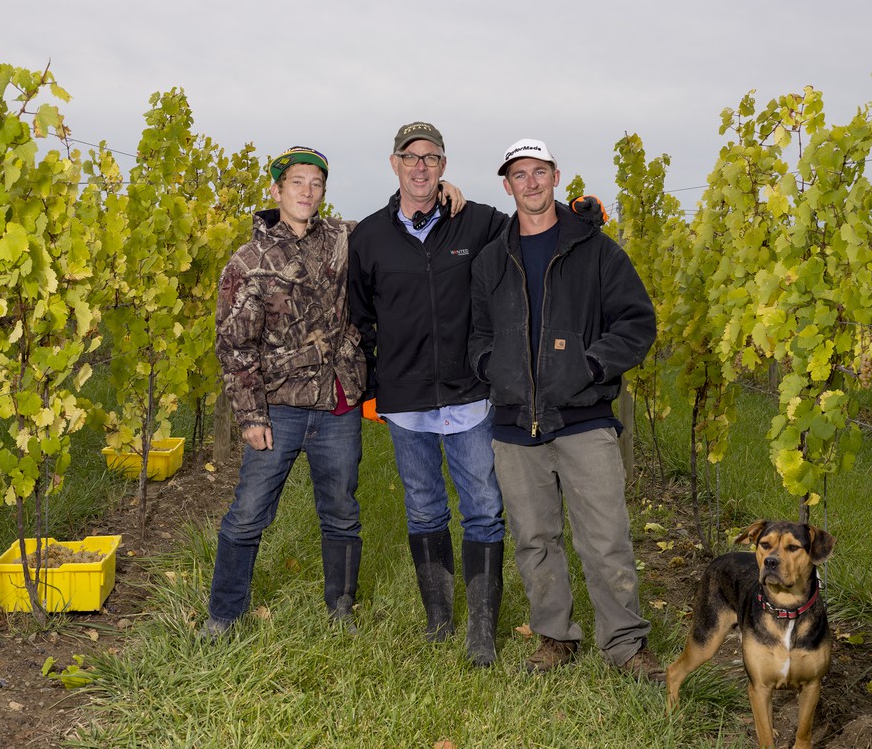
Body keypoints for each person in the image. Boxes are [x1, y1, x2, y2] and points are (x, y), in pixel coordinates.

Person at [469, 138, 663, 678]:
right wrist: (493, 367)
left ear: (556, 176)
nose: (530, 183)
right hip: (514, 425)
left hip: (584, 419)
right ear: (506, 185)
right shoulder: (491, 260)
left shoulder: (596, 250)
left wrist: (592, 367)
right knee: (534, 539)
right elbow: (477, 335)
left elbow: (636, 323)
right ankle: (555, 635)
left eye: (539, 172)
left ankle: (625, 643)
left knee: (605, 537)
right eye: (518, 175)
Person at [349, 122, 508, 667]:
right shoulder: (367, 237)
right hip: (405, 400)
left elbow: (534, 233)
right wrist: (374, 386)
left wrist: (582, 217)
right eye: (410, 157)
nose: (420, 166)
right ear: (393, 164)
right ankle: (439, 620)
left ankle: (481, 632)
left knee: (484, 509)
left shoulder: (481, 221)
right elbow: (359, 318)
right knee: (424, 509)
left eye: (431, 157)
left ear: (444, 166)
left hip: (469, 395)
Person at [203, 146, 367, 638]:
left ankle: (341, 610)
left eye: (316, 183)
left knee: (341, 511)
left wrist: (440, 195)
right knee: (249, 513)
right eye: (297, 182)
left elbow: (398, 226)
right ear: (276, 190)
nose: (307, 191)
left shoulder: (344, 239)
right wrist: (251, 415)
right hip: (279, 407)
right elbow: (235, 345)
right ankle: (225, 615)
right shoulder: (249, 261)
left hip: (338, 403)